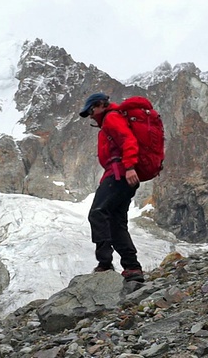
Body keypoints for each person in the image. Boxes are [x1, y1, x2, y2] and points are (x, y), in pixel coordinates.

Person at [79, 93, 145, 283]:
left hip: (119, 174)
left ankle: (105, 264)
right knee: (116, 221)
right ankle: (132, 267)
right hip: (123, 176)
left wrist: (130, 167)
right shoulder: (111, 120)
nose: (91, 115)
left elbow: (128, 140)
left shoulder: (112, 118)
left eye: (91, 110)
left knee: (97, 213)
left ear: (100, 105)